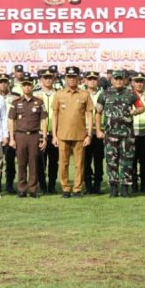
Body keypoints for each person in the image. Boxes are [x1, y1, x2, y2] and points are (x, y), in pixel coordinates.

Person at [95, 70, 144, 197]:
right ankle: (113, 188)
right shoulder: (104, 94)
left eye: (121, 79)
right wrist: (99, 130)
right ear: (111, 80)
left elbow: (141, 107)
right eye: (116, 79)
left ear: (125, 80)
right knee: (111, 161)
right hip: (110, 134)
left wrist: (135, 112)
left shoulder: (130, 93)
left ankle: (125, 188)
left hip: (126, 135)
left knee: (127, 161)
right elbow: (98, 112)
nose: (118, 81)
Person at [52, 66, 93, 197]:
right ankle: (65, 188)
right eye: (69, 77)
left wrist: (89, 134)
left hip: (80, 135)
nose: (71, 79)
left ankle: (77, 188)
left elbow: (90, 115)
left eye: (74, 77)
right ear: (65, 78)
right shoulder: (59, 94)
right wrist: (54, 135)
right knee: (63, 164)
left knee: (79, 164)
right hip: (62, 135)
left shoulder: (85, 94)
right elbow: (55, 115)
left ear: (78, 78)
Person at [8, 73, 47, 198]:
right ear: (21, 87)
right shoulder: (16, 102)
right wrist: (11, 138)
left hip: (34, 135)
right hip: (20, 136)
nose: (27, 87)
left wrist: (44, 138)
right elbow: (11, 120)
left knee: (34, 163)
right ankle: (22, 189)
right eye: (24, 85)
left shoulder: (39, 102)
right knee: (21, 163)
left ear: (32, 86)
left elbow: (43, 121)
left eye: (29, 85)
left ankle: (33, 189)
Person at [34, 68, 59, 193]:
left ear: (54, 79)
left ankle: (52, 186)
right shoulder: (36, 94)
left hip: (55, 133)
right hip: (39, 133)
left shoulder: (59, 93)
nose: (48, 80)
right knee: (40, 161)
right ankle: (42, 186)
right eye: (45, 77)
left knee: (54, 162)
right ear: (41, 79)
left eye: (50, 77)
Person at [0, 73, 19, 194]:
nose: (3, 84)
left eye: (5, 81)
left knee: (10, 162)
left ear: (9, 83)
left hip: (11, 134)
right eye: (1, 81)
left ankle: (9, 185)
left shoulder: (16, 97)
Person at [83, 71, 105, 194]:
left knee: (98, 160)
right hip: (83, 131)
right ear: (85, 81)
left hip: (99, 132)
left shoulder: (103, 94)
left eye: (94, 79)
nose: (92, 81)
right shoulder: (81, 94)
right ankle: (87, 185)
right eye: (90, 79)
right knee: (85, 161)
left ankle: (97, 186)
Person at [130, 72, 145, 193]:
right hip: (131, 133)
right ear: (132, 83)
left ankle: (144, 185)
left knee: (144, 162)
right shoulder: (128, 96)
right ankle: (133, 185)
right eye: (137, 81)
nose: (139, 84)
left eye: (141, 81)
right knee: (131, 161)